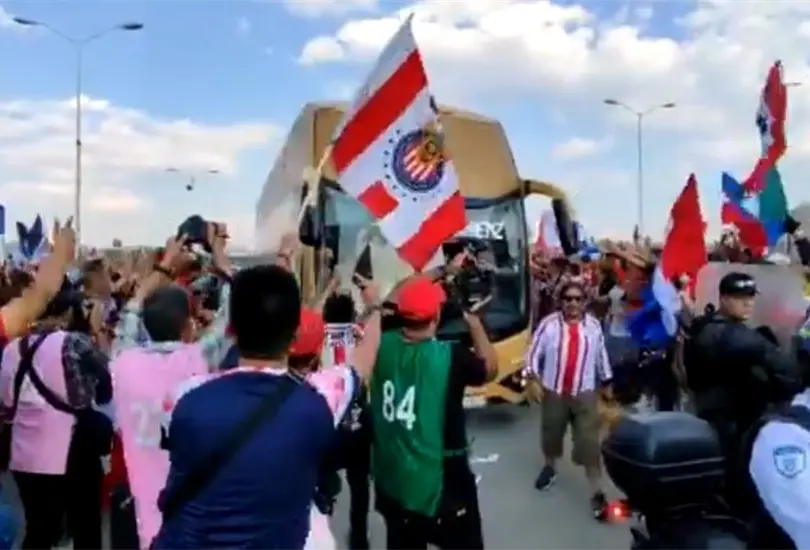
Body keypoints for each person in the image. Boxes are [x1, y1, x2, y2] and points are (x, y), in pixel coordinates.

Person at [152, 264, 381, 549]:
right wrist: (376, 308)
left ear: (232, 331)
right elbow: (362, 362)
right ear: (295, 334)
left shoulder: (181, 397)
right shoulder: (321, 397)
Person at [109, 232, 232, 549]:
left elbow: (131, 311)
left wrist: (164, 266)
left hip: (139, 513)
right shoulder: (199, 359)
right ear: (189, 326)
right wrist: (221, 262)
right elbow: (232, 314)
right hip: (189, 518)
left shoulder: (123, 362)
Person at [370, 274, 497, 550]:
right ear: (436, 316)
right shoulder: (451, 356)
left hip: (394, 478)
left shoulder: (383, 341)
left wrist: (438, 270)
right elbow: (490, 368)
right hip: (443, 482)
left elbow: (393, 296)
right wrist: (475, 324)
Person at [0, 278, 112, 550]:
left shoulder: (13, 348)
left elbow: (5, 403)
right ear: (69, 313)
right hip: (73, 452)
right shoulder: (74, 342)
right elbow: (104, 390)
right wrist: (96, 331)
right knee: (86, 527)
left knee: (39, 530)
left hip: (25, 454)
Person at [684, 272, 802, 455]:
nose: (748, 303)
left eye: (751, 296)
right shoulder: (734, 336)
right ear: (723, 299)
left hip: (711, 415)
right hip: (731, 422)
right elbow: (785, 369)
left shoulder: (707, 324)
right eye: (740, 298)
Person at [526, 279, 613, 516]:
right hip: (554, 391)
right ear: (560, 302)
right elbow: (533, 353)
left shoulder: (593, 326)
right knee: (551, 433)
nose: (573, 303)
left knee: (589, 443)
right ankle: (550, 467)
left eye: (578, 299)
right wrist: (531, 378)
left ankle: (597, 492)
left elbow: (601, 356)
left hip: (584, 393)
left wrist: (607, 382)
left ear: (584, 302)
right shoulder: (549, 325)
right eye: (568, 299)